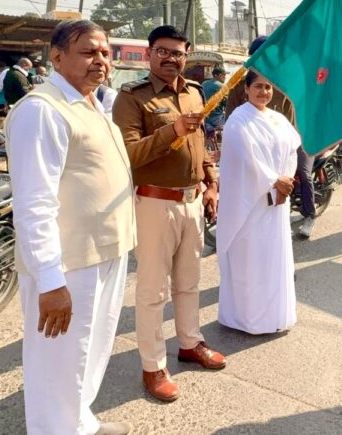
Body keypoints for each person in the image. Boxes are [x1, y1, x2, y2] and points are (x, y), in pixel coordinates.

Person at [5, 20, 135, 435]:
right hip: (69, 264)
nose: (100, 60)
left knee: (88, 352)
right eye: (88, 52)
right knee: (58, 361)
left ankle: (79, 422)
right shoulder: (42, 110)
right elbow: (34, 203)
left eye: (105, 52)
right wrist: (49, 281)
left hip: (105, 252)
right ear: (57, 57)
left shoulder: (92, 102)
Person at [112, 25, 225, 404]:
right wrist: (172, 130)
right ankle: (153, 365)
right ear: (149, 54)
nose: (170, 58)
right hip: (154, 203)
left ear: (186, 56)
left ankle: (190, 342)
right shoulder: (133, 99)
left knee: (189, 281)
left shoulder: (193, 93)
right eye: (162, 51)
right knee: (152, 290)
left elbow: (201, 145)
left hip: (193, 201)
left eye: (177, 53)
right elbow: (128, 155)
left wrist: (210, 182)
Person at [216, 71, 300, 333]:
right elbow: (245, 159)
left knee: (273, 260)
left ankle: (275, 316)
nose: (263, 92)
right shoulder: (238, 120)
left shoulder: (278, 118)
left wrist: (284, 182)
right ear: (246, 88)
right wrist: (274, 180)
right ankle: (246, 319)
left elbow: (291, 148)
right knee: (250, 262)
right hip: (250, 204)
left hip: (277, 201)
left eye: (267, 87)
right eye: (258, 87)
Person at [225, 36, 319, 239]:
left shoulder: (283, 88)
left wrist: (282, 177)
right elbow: (230, 119)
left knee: (303, 173)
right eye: (257, 57)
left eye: (267, 57)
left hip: (284, 149)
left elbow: (290, 130)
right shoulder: (237, 86)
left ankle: (309, 214)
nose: (263, 91)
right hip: (249, 151)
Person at [202, 66, 227, 132]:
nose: (225, 77)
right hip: (216, 118)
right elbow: (227, 103)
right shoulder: (221, 86)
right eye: (224, 75)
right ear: (219, 75)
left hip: (205, 118)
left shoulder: (204, 83)